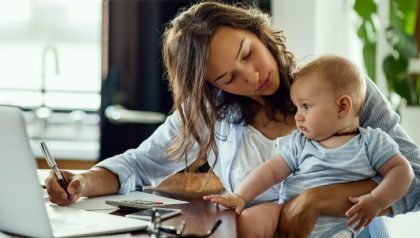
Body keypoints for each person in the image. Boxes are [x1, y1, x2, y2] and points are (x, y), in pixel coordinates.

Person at [45, 2, 420, 237]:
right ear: (211, 86)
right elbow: (138, 165)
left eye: (248, 53)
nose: (252, 76)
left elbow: (416, 181)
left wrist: (316, 200)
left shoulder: (340, 88)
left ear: (257, 30)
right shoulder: (210, 113)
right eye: (228, 78)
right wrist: (81, 182)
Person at [203, 55, 414, 237]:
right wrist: (240, 196)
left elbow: (403, 171)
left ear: (342, 106)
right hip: (286, 214)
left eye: (306, 106)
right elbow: (271, 171)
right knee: (250, 220)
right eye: (297, 108)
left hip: (340, 226)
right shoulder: (301, 142)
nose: (298, 117)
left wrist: (377, 201)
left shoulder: (371, 142)